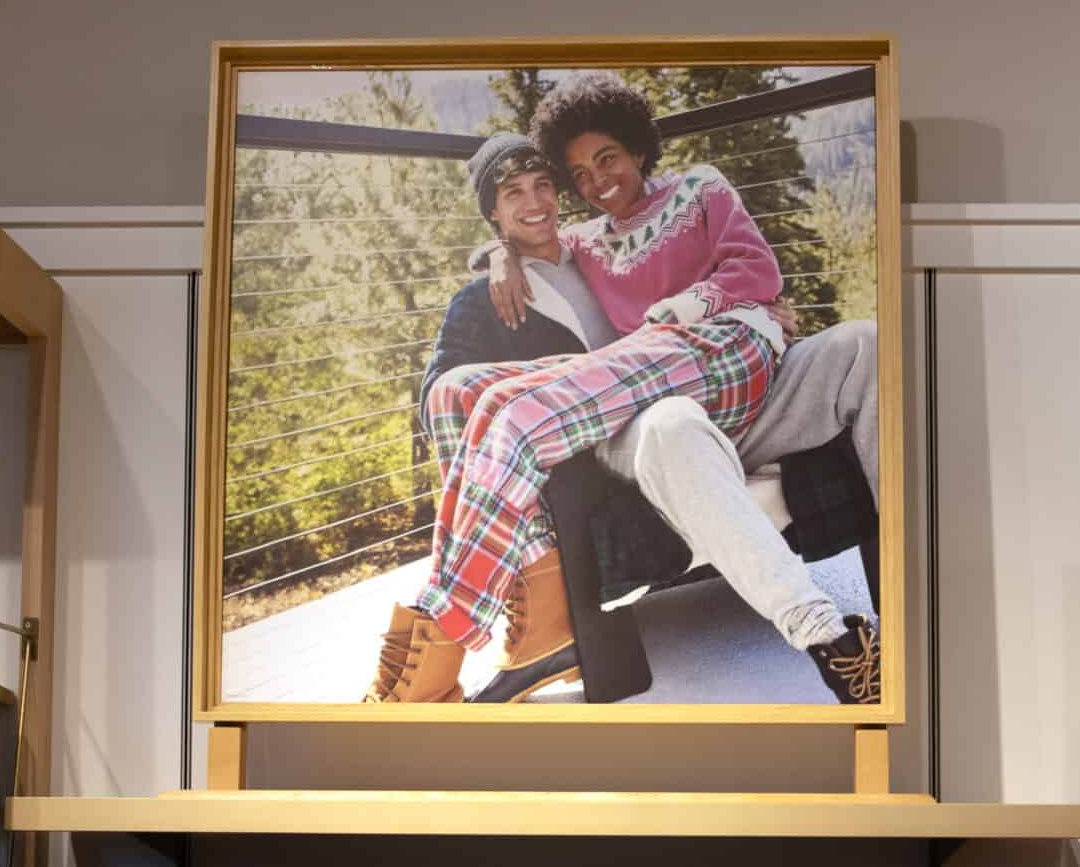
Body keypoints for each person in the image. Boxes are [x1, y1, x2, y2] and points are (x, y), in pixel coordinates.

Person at [367, 75, 877, 704]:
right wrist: (497, 253)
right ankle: (534, 607)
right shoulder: (578, 245)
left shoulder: (687, 196)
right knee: (494, 398)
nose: (594, 181)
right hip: (646, 402)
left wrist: (703, 307)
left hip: (727, 364)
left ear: (637, 147)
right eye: (578, 173)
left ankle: (442, 631)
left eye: (601, 160)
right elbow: (524, 238)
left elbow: (753, 269)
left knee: (866, 341)